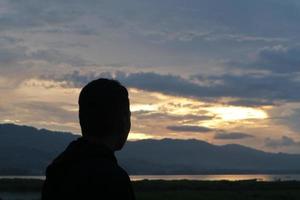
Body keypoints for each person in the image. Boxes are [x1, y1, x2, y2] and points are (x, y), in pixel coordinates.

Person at [42, 78, 135, 200]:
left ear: (82, 120)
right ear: (123, 121)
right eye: (129, 115)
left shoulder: (57, 171)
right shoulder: (114, 180)